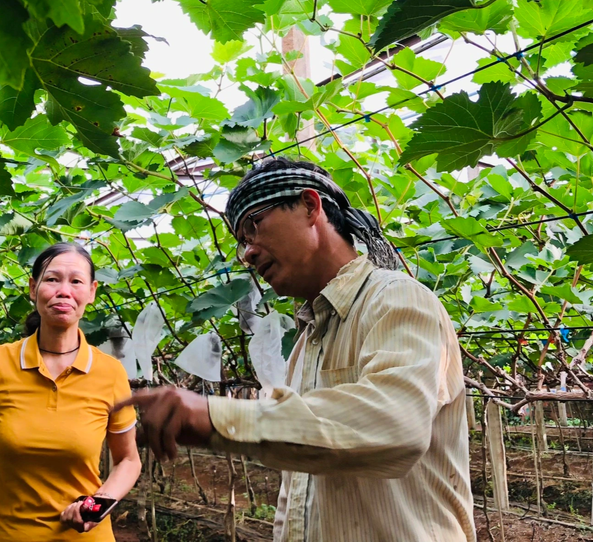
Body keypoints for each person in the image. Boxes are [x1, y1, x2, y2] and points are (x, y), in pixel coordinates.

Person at [117, 158, 475, 542]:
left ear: (310, 206)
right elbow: (300, 490)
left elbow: (395, 424)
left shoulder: (397, 298)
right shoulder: (307, 341)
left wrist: (217, 417)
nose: (248, 254)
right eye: (241, 243)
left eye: (254, 226)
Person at [0, 243, 141, 542]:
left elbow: (128, 460)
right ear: (33, 288)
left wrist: (97, 505)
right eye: (52, 279)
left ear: (92, 292)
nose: (64, 291)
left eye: (76, 281)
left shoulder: (110, 373)